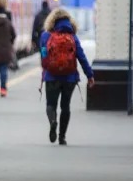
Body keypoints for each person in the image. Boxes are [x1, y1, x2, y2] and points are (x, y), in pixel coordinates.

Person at [40, 8, 95, 146]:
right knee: (65, 107)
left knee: (51, 105)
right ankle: (62, 137)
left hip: (51, 77)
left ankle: (53, 121)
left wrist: (46, 68)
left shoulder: (46, 36)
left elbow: (44, 56)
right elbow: (81, 57)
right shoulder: (73, 37)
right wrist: (90, 75)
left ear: (51, 21)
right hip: (69, 78)